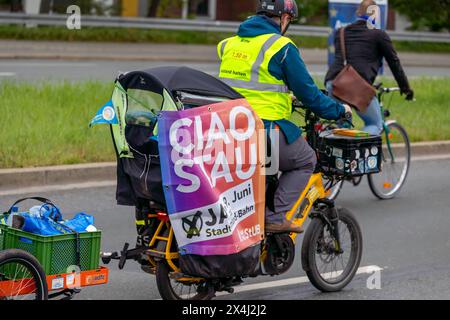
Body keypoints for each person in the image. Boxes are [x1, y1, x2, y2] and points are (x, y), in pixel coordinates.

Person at [217, 0, 352, 233]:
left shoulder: (229, 44)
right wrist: (339, 110)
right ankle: (275, 217)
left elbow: (250, 85)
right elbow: (309, 94)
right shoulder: (282, 47)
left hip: (227, 128)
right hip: (263, 130)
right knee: (305, 160)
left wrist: (283, 97)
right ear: (284, 18)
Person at [325, 0, 414, 135]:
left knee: (342, 126)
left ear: (357, 13)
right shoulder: (379, 35)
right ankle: (360, 156)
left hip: (333, 84)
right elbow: (394, 63)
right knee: (375, 123)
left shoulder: (341, 32)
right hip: (356, 87)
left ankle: (338, 154)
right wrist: (405, 88)